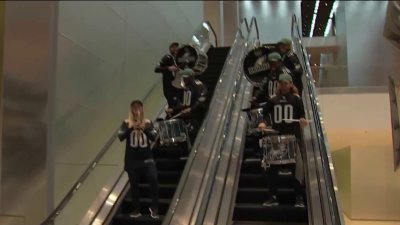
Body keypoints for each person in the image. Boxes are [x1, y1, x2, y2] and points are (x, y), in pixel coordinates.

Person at [258, 73, 308, 208]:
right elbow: (263, 113)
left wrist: (302, 120)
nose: (283, 85)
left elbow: (302, 115)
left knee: (296, 170)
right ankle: (273, 196)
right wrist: (262, 122)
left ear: (291, 84)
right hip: (276, 138)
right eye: (281, 83)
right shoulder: (273, 99)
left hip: (292, 138)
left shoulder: (296, 99)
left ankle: (299, 197)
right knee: (272, 170)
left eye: (286, 83)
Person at [118, 100, 159, 219]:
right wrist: (131, 128)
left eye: (139, 108)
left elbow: (154, 136)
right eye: (134, 108)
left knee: (153, 179)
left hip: (147, 159)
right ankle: (136, 209)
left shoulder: (148, 122)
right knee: (134, 185)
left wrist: (145, 128)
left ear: (142, 109)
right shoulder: (126, 123)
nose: (136, 110)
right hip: (132, 161)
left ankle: (155, 207)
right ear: (131, 110)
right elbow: (120, 136)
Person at [166, 68, 207, 144]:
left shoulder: (199, 86)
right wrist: (173, 109)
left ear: (192, 77)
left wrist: (191, 110)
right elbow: (183, 104)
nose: (184, 79)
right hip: (187, 117)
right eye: (183, 77)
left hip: (197, 117)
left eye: (186, 77)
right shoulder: (185, 88)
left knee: (196, 137)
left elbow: (201, 101)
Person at [154, 42, 181, 108]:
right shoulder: (167, 57)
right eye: (174, 47)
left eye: (177, 47)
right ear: (171, 49)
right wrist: (168, 68)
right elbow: (156, 69)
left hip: (176, 86)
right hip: (169, 89)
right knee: (174, 106)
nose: (176, 49)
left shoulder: (176, 59)